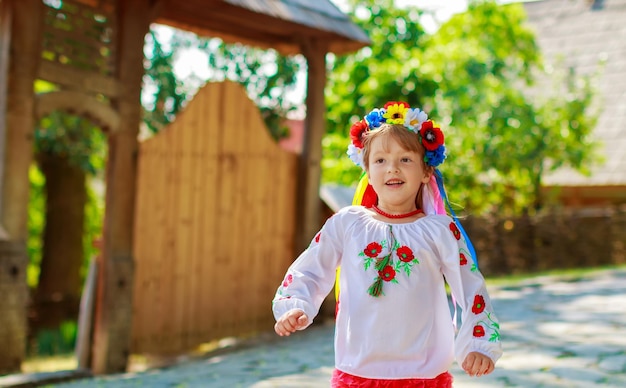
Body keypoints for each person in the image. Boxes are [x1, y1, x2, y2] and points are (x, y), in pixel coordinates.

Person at [272, 101, 502, 387]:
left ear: (426, 172)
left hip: (423, 376)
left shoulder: (441, 231)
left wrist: (479, 344)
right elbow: (311, 269)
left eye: (405, 159)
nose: (392, 168)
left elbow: (471, 288)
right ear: (367, 171)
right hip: (357, 373)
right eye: (380, 160)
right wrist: (297, 304)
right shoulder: (347, 224)